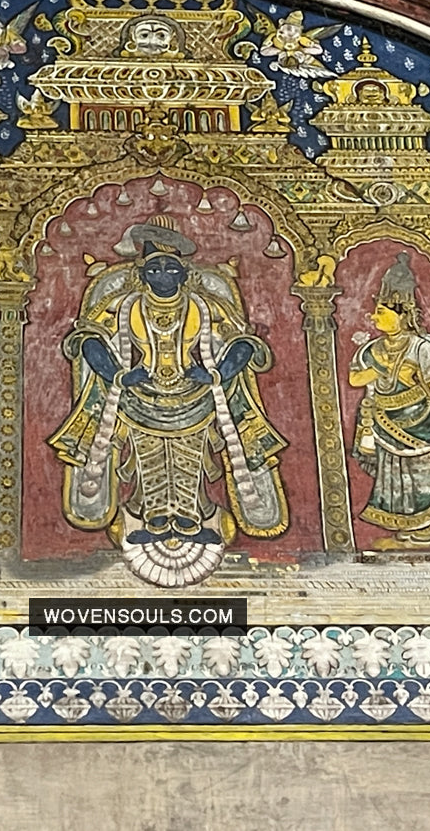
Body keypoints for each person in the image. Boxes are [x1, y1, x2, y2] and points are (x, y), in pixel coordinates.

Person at [50, 214, 287, 586]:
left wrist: (217, 373)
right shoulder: (122, 304)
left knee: (189, 462)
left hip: (196, 398)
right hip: (138, 400)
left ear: (185, 274)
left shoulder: (206, 305)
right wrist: (118, 375)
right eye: (154, 269)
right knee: (149, 461)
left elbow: (243, 343)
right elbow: (88, 339)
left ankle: (193, 519)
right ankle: (151, 518)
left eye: (171, 269)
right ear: (141, 274)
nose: (163, 276)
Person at [347, 253, 430, 548]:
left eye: (382, 312)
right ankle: (404, 535)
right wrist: (381, 368)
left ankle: (424, 534)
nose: (375, 317)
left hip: (421, 424)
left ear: (403, 314)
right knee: (393, 480)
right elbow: (354, 379)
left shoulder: (422, 348)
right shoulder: (372, 350)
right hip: (384, 423)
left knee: (423, 480)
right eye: (376, 311)